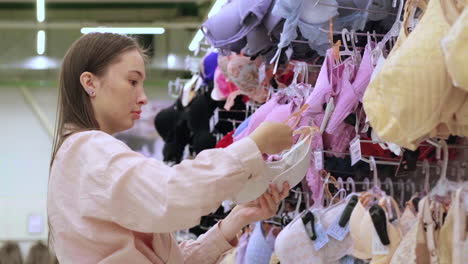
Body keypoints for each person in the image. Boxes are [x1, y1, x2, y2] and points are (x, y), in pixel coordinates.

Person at [47, 32, 294, 263]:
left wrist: (236, 219)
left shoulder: (79, 155)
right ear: (90, 83)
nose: (143, 97)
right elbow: (173, 194)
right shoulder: (88, 150)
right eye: (132, 81)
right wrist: (253, 145)